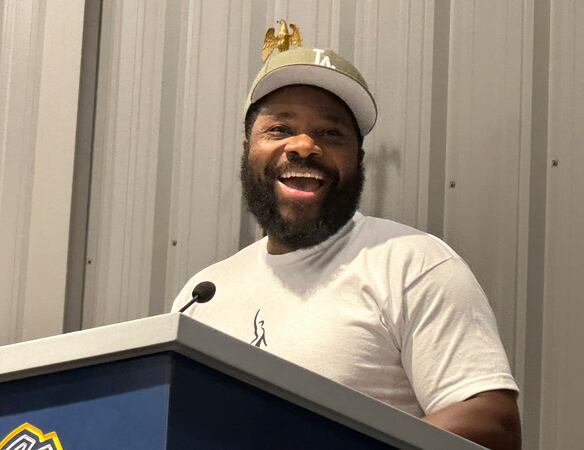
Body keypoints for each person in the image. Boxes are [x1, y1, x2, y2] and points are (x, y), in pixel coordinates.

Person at [172, 47, 521, 449]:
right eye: (280, 129)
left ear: (358, 160)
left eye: (330, 133)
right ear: (248, 148)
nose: (304, 145)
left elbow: (491, 425)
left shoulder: (412, 262)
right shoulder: (203, 295)